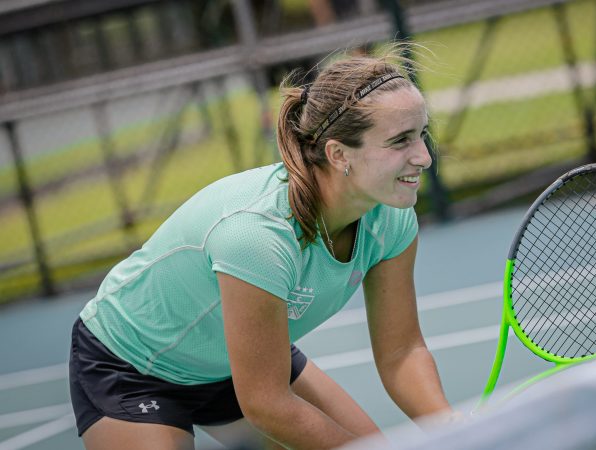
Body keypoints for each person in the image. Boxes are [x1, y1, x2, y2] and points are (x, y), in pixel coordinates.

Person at [68, 45, 454, 450]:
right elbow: (267, 404)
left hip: (238, 364)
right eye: (400, 141)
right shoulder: (257, 236)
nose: (424, 157)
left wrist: (451, 424)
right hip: (132, 367)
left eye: (422, 134)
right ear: (339, 154)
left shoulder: (390, 218)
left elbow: (401, 352)